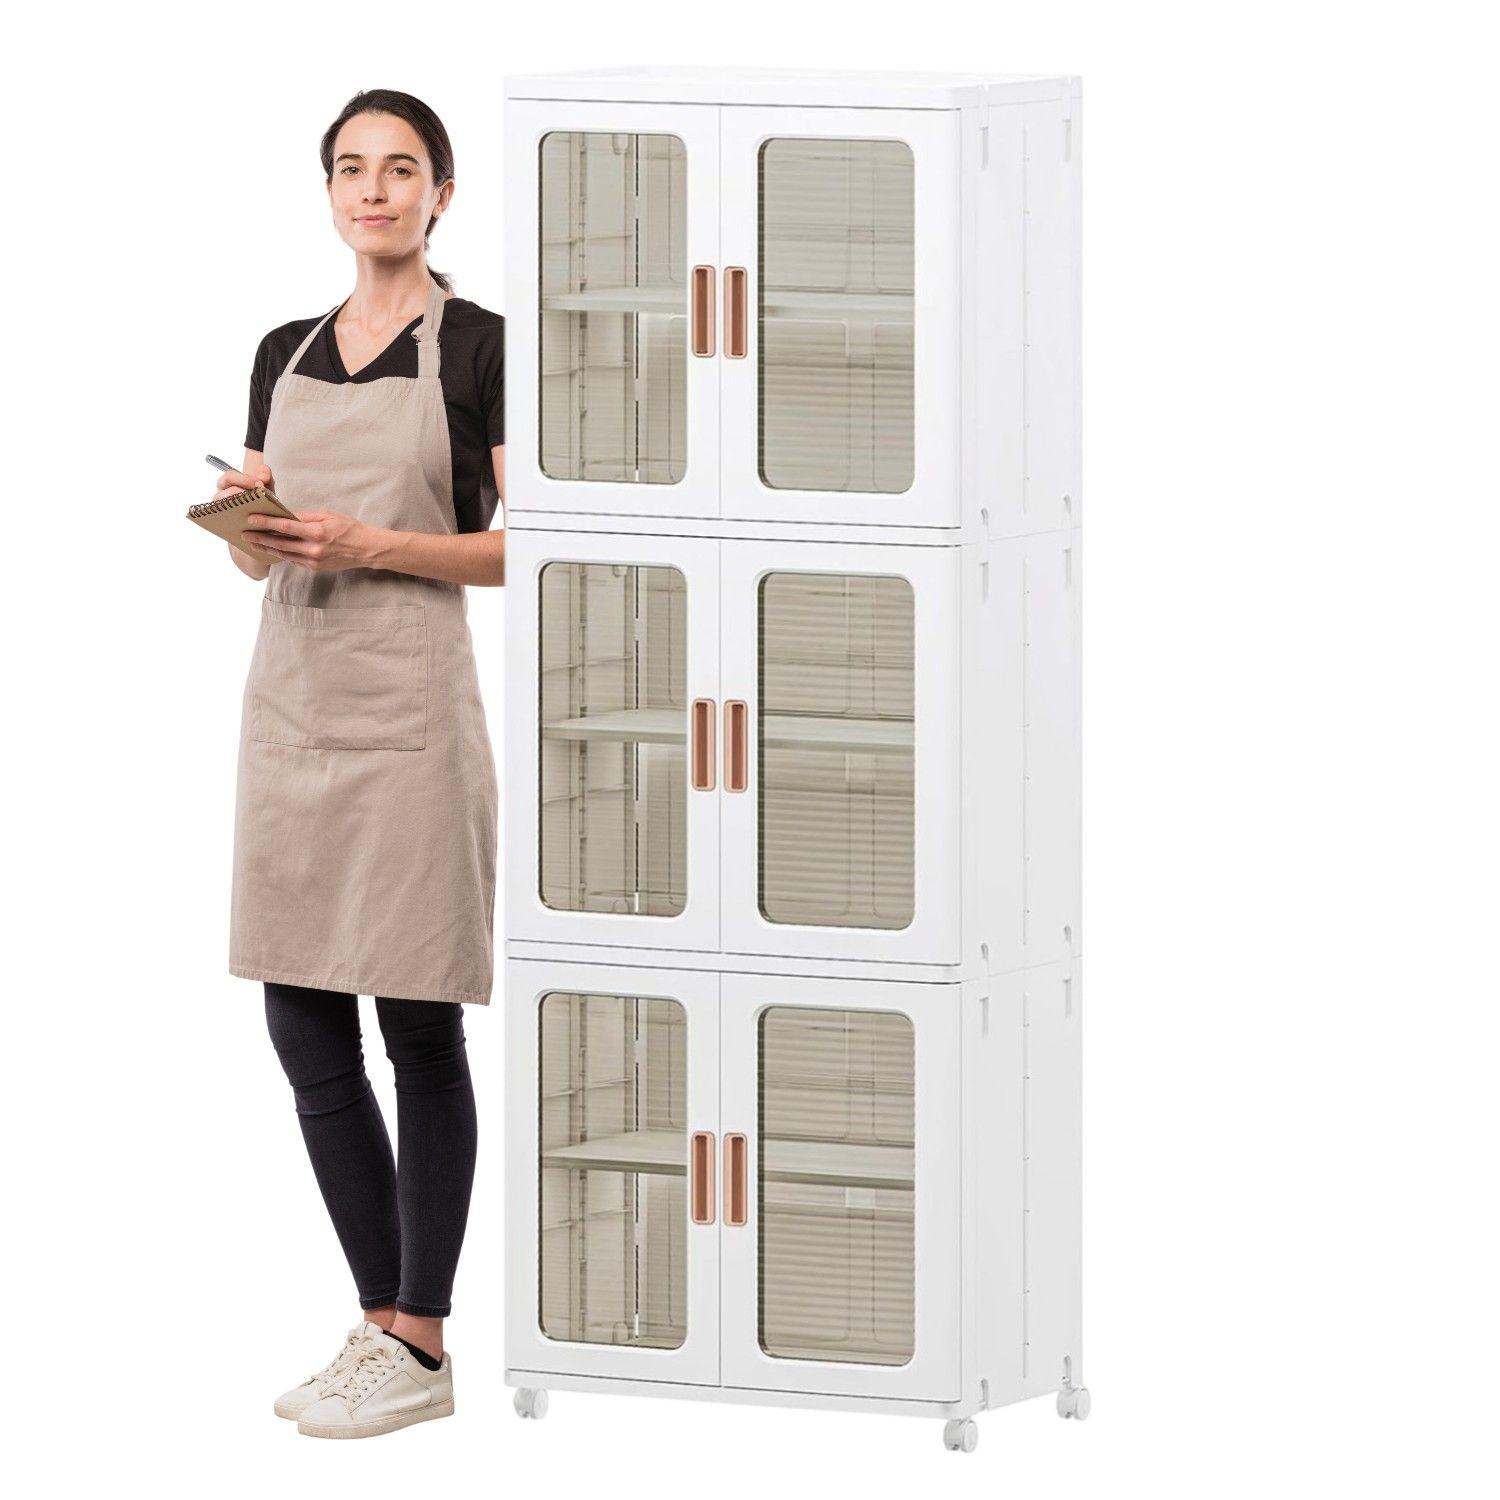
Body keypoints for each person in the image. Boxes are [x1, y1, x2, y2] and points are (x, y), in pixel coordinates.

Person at [210, 89, 504, 1440]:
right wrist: (249, 526)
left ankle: (423, 1338)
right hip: (293, 704)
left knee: (417, 1023)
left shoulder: (483, 346)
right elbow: (255, 541)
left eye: (399, 168)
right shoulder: (283, 347)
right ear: (328, 191)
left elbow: (529, 544)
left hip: (412, 711)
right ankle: (380, 1322)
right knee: (301, 1016)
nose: (372, 189)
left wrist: (374, 545)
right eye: (350, 168)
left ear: (440, 193)